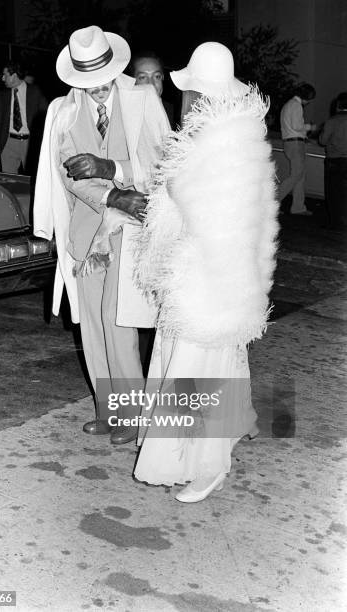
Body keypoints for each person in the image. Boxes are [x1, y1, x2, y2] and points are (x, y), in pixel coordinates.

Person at [132, 42, 279, 502]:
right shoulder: (223, 133)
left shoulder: (228, 140)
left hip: (211, 278)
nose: (188, 98)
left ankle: (210, 465)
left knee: (199, 371)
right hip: (201, 273)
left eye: (192, 89)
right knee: (194, 363)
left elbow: (218, 215)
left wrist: (176, 186)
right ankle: (192, 453)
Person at [33, 26, 170, 444]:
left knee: (119, 320)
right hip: (85, 233)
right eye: (85, 83)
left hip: (130, 230)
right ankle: (108, 411)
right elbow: (71, 175)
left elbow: (165, 162)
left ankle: (132, 416)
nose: (94, 90)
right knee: (91, 325)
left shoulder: (142, 98)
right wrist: (113, 195)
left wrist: (116, 172)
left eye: (101, 80)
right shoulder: (64, 111)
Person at [0, 62, 47, 174]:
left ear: (14, 76)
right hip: (8, 143)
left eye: (5, 75)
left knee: (33, 179)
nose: (3, 78)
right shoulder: (3, 95)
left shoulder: (35, 92)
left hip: (29, 144)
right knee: (9, 180)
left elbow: (46, 117)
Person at [278, 83, 317, 215]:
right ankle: (271, 203)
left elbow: (291, 127)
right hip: (295, 144)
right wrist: (310, 127)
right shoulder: (296, 106)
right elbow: (297, 126)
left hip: (290, 143)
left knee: (299, 176)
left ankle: (298, 207)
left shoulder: (288, 104)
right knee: (296, 175)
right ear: (307, 97)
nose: (310, 102)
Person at [319, 92, 347, 230]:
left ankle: (336, 223)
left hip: (334, 161)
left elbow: (322, 141)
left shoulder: (332, 121)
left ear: (338, 105)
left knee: (334, 193)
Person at [130, 51, 174, 126]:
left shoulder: (170, 110)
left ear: (162, 77)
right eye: (143, 77)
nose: (151, 84)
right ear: (132, 81)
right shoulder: (124, 113)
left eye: (157, 76)